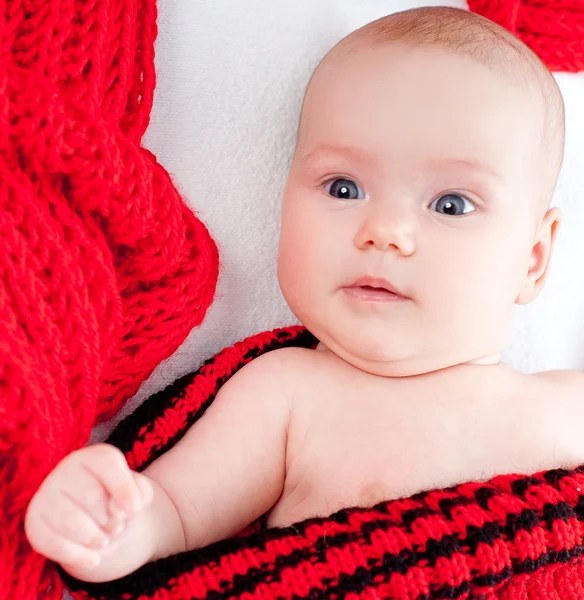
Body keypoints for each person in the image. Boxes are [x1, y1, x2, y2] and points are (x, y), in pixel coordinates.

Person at [24, 6, 577, 584]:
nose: (384, 231)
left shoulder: (568, 405)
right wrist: (105, 522)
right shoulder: (286, 396)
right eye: (344, 187)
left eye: (451, 204)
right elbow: (173, 517)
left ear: (534, 259)